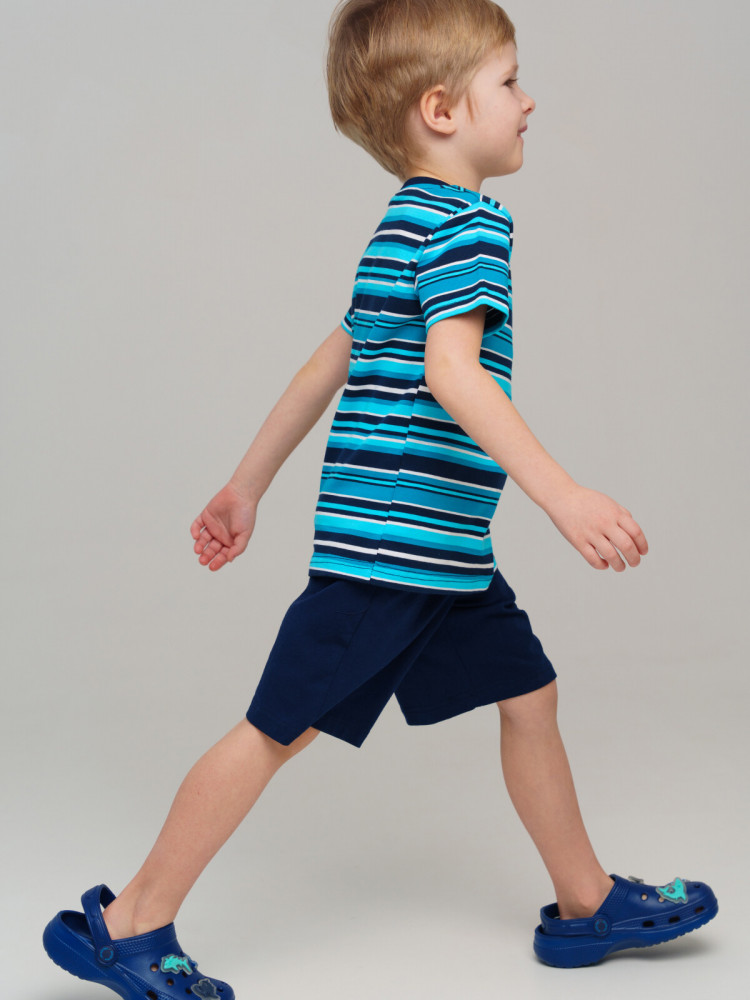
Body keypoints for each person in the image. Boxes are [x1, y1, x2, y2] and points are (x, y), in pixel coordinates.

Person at [43, 1, 717, 996]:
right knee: (275, 730)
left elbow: (332, 361)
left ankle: (585, 903)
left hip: (441, 554)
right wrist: (564, 494)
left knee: (530, 695)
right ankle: (128, 922)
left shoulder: (406, 221)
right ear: (441, 110)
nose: (529, 102)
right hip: (390, 556)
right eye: (509, 82)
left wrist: (245, 485)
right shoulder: (470, 227)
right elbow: (453, 373)